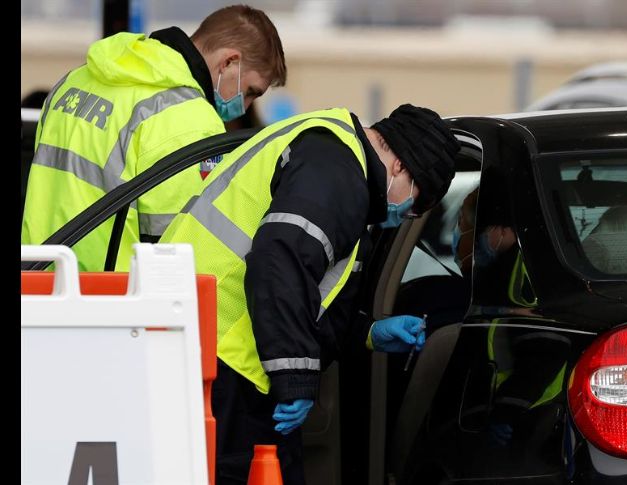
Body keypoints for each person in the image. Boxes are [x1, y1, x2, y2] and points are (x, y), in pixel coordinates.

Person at [159, 103, 460, 484]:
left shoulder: (334, 160)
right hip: (218, 357)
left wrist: (367, 333)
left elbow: (311, 291)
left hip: (210, 348)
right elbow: (280, 261)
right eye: (416, 203)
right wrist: (297, 375)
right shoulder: (337, 170)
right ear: (400, 166)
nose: (407, 214)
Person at [21, 5, 287, 271]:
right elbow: (176, 245)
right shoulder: (188, 117)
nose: (246, 105)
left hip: (38, 285)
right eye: (251, 91)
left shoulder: (74, 82)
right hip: (109, 298)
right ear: (229, 62)